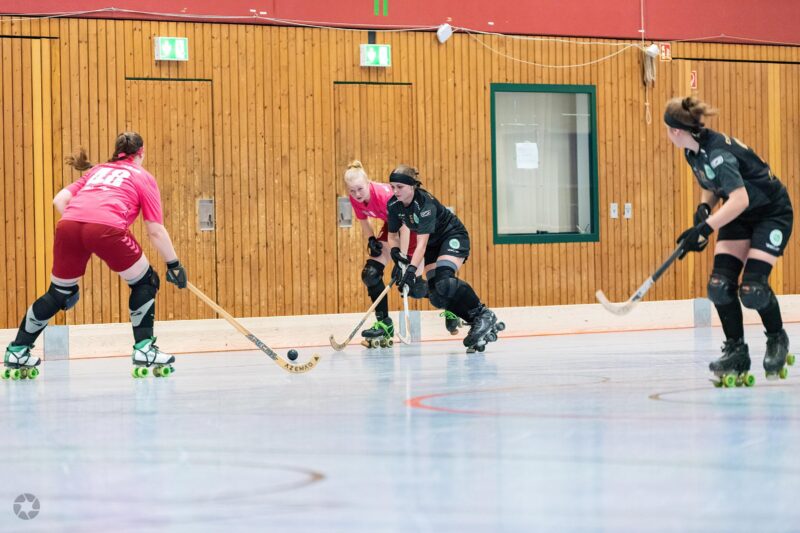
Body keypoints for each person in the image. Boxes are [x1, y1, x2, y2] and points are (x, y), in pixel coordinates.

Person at [3, 132, 187, 380]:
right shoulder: (142, 176)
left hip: (68, 225)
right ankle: (145, 349)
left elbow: (60, 200)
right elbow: (155, 230)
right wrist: (173, 264)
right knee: (145, 282)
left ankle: (18, 350)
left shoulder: (97, 171)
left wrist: (84, 224)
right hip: (106, 228)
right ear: (141, 153)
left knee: (58, 293)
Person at [666, 96, 794, 384]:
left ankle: (777, 338)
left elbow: (739, 198)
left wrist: (704, 229)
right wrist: (705, 207)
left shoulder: (718, 152)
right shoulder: (693, 150)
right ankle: (736, 351)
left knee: (752, 290)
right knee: (719, 287)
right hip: (740, 214)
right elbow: (712, 184)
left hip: (770, 213)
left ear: (675, 130)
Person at [386, 165, 503, 352]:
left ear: (412, 186)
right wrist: (395, 253)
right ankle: (476, 321)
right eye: (392, 187)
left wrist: (411, 271)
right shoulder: (394, 205)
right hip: (433, 245)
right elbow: (392, 236)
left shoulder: (425, 204)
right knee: (437, 296)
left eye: (399, 187)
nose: (395, 191)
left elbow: (421, 244)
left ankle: (483, 314)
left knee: (445, 282)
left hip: (452, 235)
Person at [344, 161, 437, 347]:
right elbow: (363, 221)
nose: (357, 194)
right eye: (352, 191)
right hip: (393, 229)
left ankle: (447, 297)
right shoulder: (355, 198)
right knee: (370, 274)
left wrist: (401, 258)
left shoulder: (385, 196)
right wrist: (371, 239)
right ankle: (384, 324)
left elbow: (405, 226)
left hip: (412, 227)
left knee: (414, 288)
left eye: (360, 189)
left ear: (368, 182)